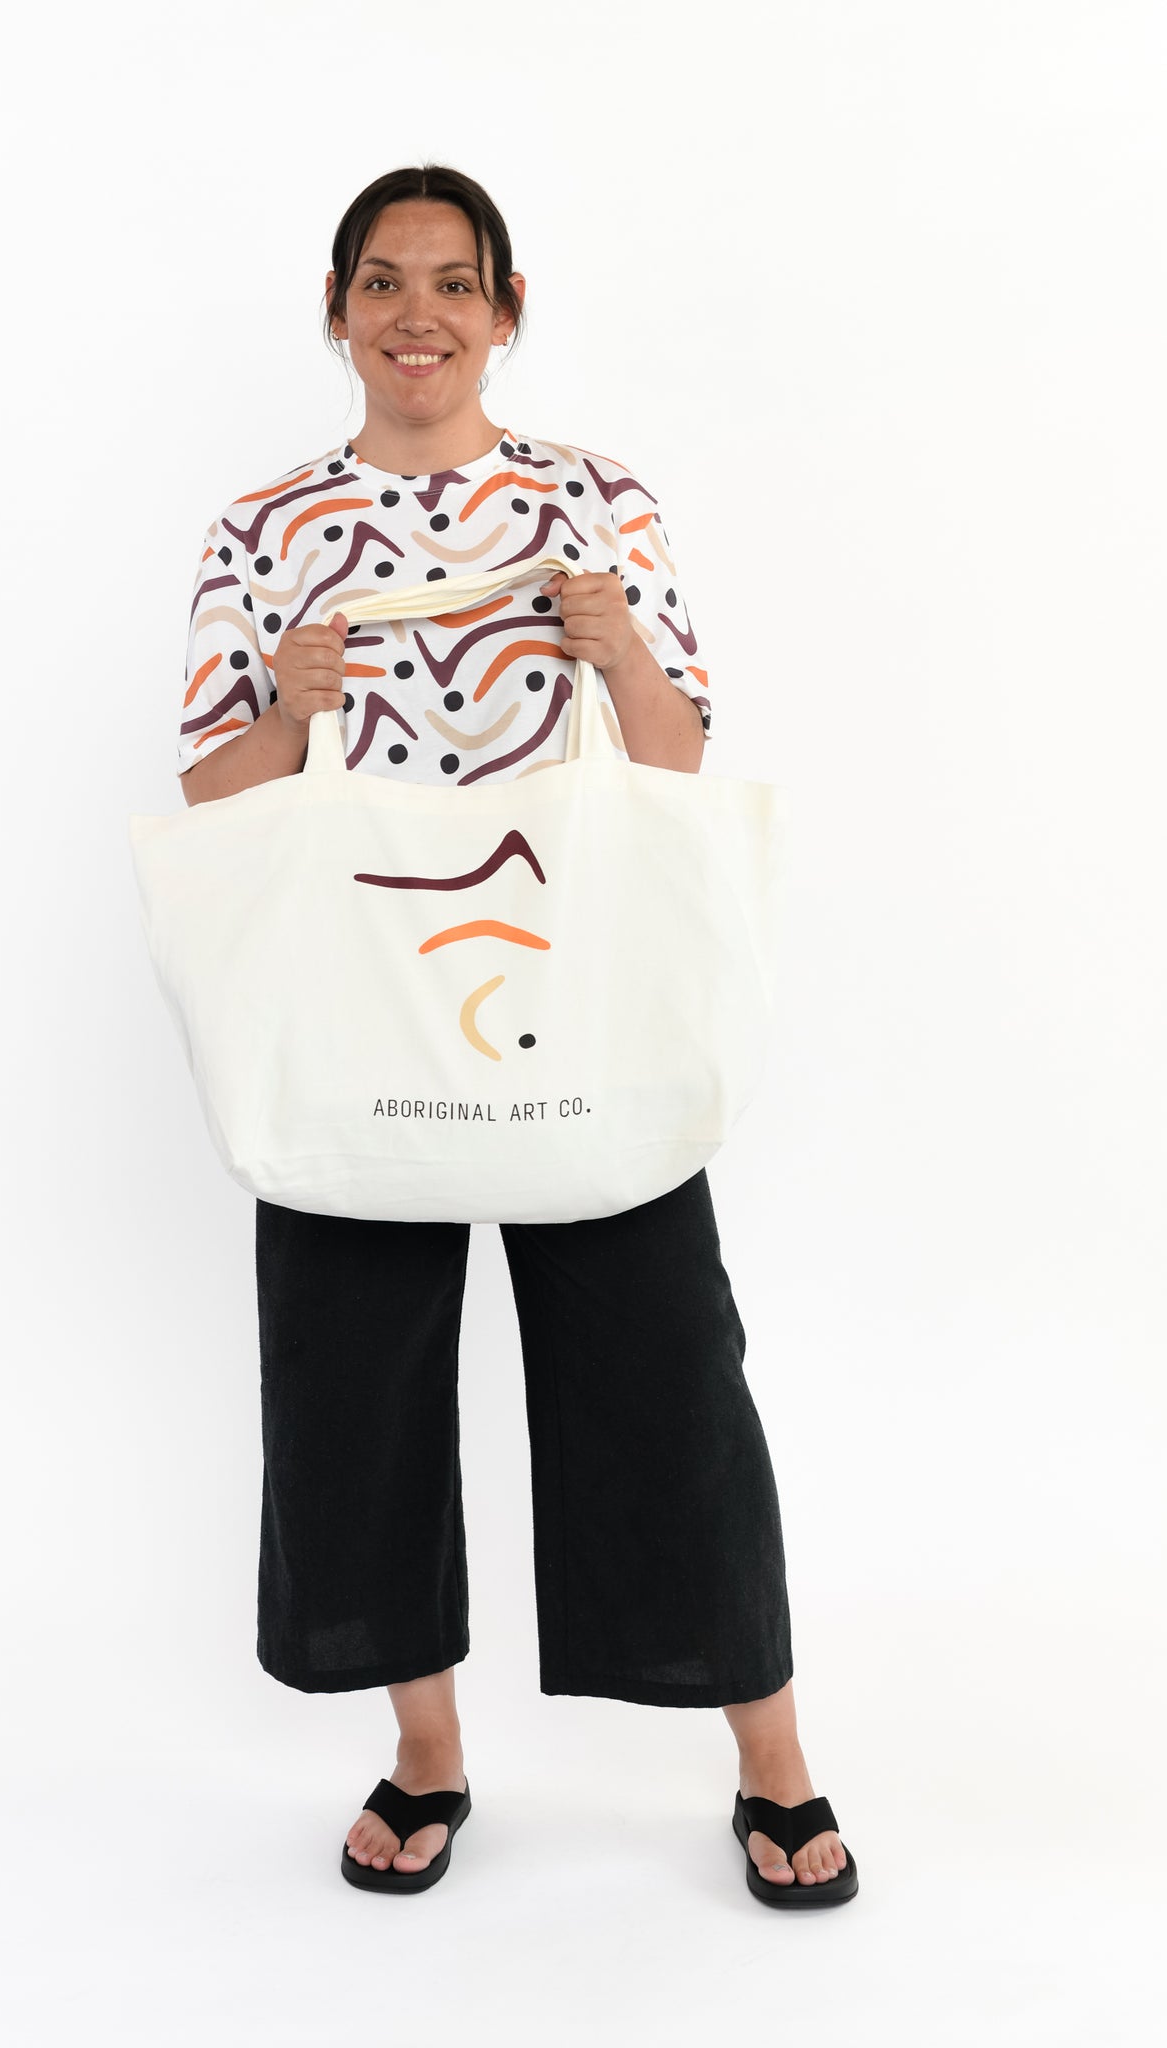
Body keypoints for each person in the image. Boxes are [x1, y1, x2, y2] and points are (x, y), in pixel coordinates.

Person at [175, 163, 857, 1909]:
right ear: (338, 310)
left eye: (454, 283)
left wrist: (617, 652)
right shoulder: (265, 527)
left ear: (505, 309)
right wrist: (292, 707)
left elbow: (676, 762)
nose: (419, 315)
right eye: (383, 282)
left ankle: (770, 1759)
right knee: (351, 1384)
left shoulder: (591, 501)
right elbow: (208, 795)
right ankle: (425, 1747)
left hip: (571, 983)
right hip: (354, 991)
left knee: (669, 1376)